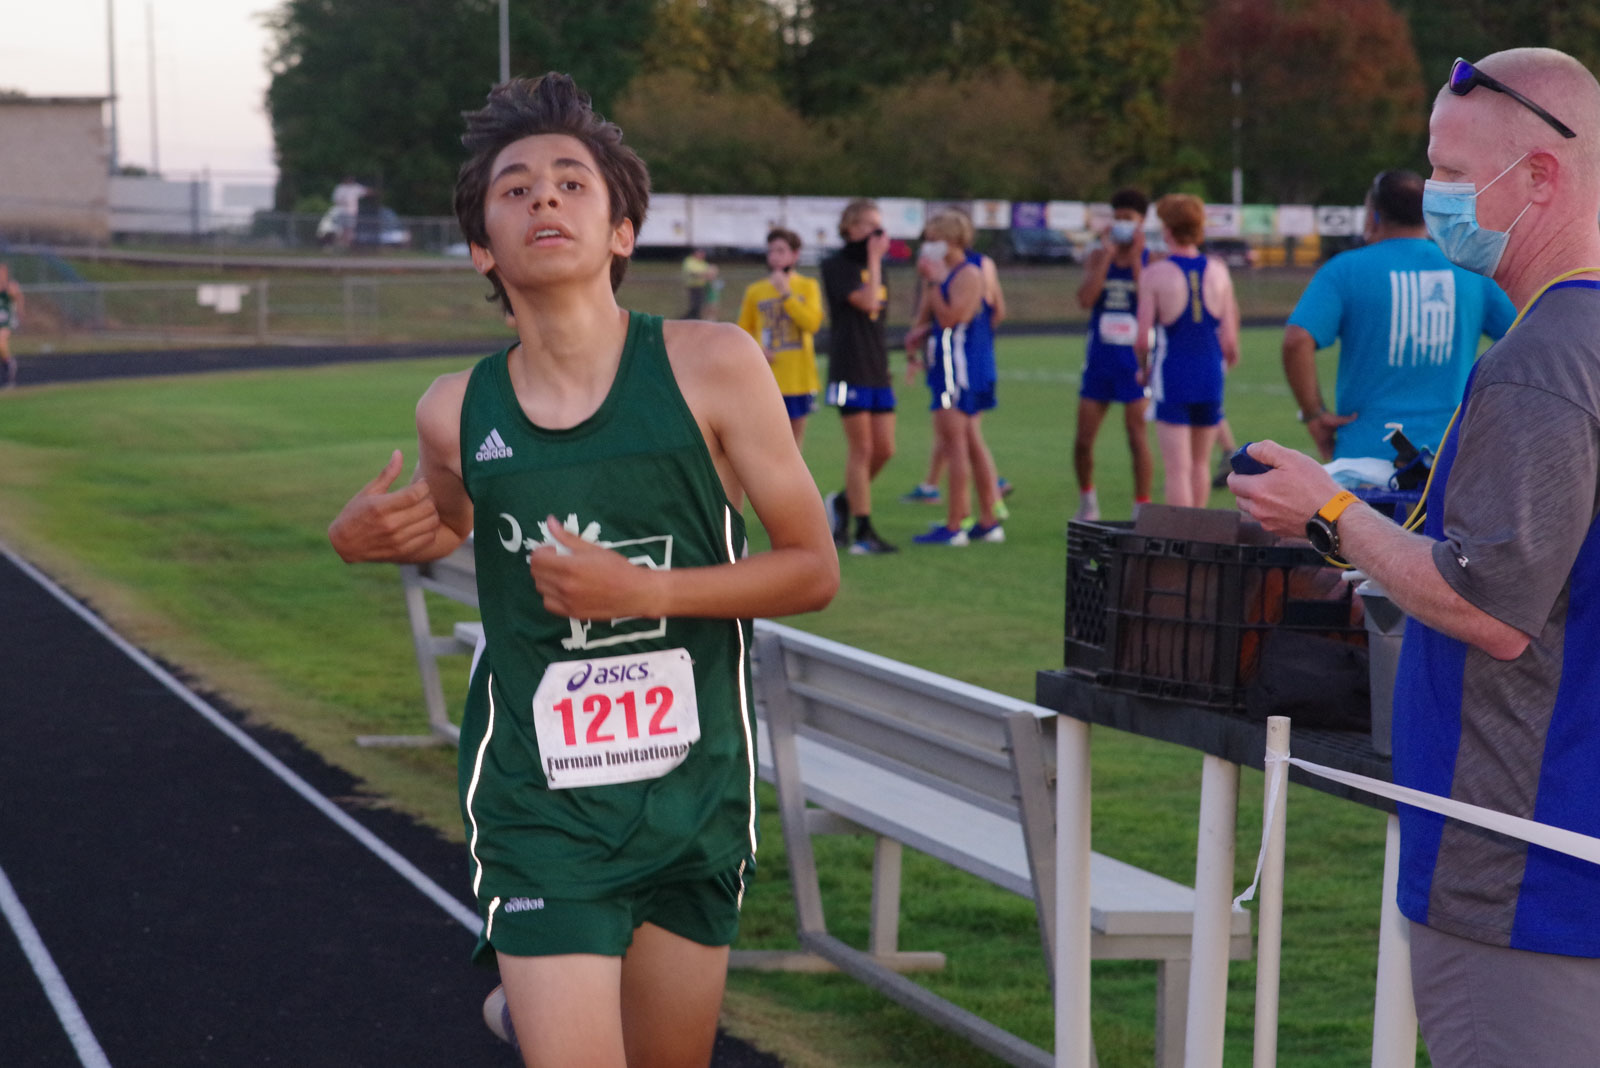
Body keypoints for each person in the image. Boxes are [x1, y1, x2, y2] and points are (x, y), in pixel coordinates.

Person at [325, 73, 839, 1068]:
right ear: (482, 247)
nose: (544, 199)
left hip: (692, 794)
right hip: (538, 801)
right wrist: (360, 537)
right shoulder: (453, 411)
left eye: (572, 183)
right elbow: (451, 520)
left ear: (621, 231)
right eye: (515, 190)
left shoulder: (714, 364)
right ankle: (549, 998)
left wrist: (647, 592)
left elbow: (811, 568)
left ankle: (542, 1008)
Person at [1230, 48, 1600, 1068]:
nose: (1434, 194)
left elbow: (1493, 606)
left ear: (1539, 176)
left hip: (1526, 867)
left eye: (1448, 170)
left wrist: (1330, 511)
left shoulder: (1543, 360)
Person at [1284, 168, 1517, 462]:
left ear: (1374, 216)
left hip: (1365, 453)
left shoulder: (1345, 270)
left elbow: (1296, 340)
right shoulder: (1469, 270)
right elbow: (1524, 332)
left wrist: (1314, 413)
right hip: (1449, 454)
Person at [905, 209, 1004, 546]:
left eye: (934, 240)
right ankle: (988, 520)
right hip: (948, 366)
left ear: (950, 241)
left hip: (959, 370)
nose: (928, 247)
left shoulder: (968, 274)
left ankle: (955, 525)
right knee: (969, 442)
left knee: (955, 445)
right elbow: (930, 318)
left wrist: (933, 281)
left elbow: (951, 319)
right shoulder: (944, 273)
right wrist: (919, 335)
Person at [1134, 193, 1240, 507]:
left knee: (1177, 469)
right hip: (1210, 373)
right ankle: (1199, 532)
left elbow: (1142, 339)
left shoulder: (1155, 274)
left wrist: (1143, 370)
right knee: (1199, 465)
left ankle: (1182, 534)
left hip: (1173, 374)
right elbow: (1230, 342)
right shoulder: (1219, 270)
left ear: (1167, 230)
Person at [820, 198, 897, 554]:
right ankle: (863, 532)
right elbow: (867, 302)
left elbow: (878, 314)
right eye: (868, 225)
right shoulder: (836, 265)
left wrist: (876, 262)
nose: (875, 232)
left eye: (878, 225)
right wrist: (875, 260)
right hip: (848, 367)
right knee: (862, 448)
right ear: (850, 228)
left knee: (885, 449)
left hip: (877, 367)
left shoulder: (877, 265)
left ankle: (842, 503)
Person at [1073, 187, 1153, 521]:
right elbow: (1085, 300)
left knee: (1136, 437)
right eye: (1116, 218)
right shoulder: (1097, 256)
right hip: (1100, 359)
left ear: (1141, 222)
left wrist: (1134, 257)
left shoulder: (1150, 258)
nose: (1121, 224)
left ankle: (1141, 506)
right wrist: (1106, 257)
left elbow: (1148, 299)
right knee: (1083, 439)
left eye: (1128, 219)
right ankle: (1088, 502)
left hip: (1134, 362)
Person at [736, 228, 823, 447]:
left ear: (795, 254)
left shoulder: (807, 286)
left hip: (798, 379)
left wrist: (786, 294)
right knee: (764, 443)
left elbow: (812, 324)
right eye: (771, 251)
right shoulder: (755, 290)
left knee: (793, 445)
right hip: (765, 378)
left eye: (781, 251)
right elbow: (742, 331)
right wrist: (757, 350)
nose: (775, 256)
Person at [0, 263, 22, 388]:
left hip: (7, 321)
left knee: (0, 340)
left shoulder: (10, 287)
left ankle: (9, 364)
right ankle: (6, 362)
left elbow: (16, 296)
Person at [681, 248, 717, 320]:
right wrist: (705, 274)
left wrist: (707, 274)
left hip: (702, 286)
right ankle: (689, 318)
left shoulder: (703, 263)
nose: (702, 255)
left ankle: (695, 318)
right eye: (701, 253)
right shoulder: (690, 261)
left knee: (700, 304)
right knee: (695, 304)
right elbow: (692, 273)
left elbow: (711, 274)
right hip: (693, 286)